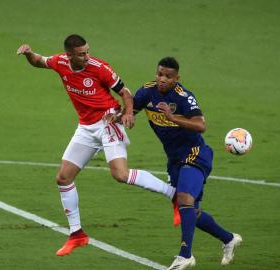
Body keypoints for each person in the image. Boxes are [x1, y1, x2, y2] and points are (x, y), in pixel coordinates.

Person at [17, 34, 176, 256]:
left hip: (108, 121)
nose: (87, 56)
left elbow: (125, 92)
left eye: (88, 51)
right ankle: (77, 234)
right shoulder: (60, 62)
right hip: (86, 127)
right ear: (69, 55)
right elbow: (39, 61)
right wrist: (28, 53)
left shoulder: (99, 68)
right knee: (63, 178)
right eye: (82, 54)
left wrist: (128, 112)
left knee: (120, 174)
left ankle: (173, 195)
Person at [133, 57, 242, 270]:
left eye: (168, 76)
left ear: (177, 78)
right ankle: (229, 239)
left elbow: (201, 125)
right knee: (190, 211)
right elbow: (131, 110)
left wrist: (173, 118)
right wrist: (123, 115)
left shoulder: (184, 97)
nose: (162, 79)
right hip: (174, 161)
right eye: (160, 74)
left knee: (184, 200)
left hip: (195, 153)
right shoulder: (146, 92)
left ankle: (185, 255)